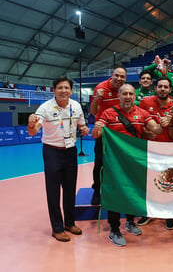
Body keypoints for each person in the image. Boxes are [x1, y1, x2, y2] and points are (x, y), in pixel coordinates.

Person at [92, 84, 164, 246]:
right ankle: (114, 229)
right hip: (114, 162)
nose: (128, 96)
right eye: (124, 93)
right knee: (115, 195)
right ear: (119, 95)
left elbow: (157, 130)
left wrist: (163, 124)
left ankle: (130, 222)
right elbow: (96, 134)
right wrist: (98, 129)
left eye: (131, 94)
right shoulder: (108, 113)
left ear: (134, 96)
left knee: (132, 193)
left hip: (134, 162)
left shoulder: (142, 113)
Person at [27, 76, 89, 242]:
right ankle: (57, 228)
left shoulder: (76, 106)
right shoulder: (45, 108)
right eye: (60, 88)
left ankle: (69, 223)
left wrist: (84, 129)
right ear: (54, 90)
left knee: (70, 190)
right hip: (52, 152)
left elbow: (82, 125)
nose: (63, 91)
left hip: (70, 151)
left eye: (66, 88)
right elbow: (33, 131)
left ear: (71, 90)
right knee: (53, 192)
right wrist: (31, 124)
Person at [138, 76, 173, 229]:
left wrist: (172, 123)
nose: (162, 89)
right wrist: (147, 133)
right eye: (160, 86)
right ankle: (147, 213)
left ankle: (168, 214)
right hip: (150, 149)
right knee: (149, 184)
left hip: (170, 149)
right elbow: (139, 123)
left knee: (168, 183)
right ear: (155, 88)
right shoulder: (146, 102)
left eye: (165, 87)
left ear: (170, 89)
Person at [90, 66, 127, 205]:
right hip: (103, 131)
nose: (119, 79)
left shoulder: (125, 90)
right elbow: (93, 111)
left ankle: (118, 189)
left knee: (119, 163)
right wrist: (97, 97)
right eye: (116, 75)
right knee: (99, 162)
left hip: (120, 133)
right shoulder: (101, 87)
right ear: (112, 75)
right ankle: (96, 190)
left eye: (122, 77)